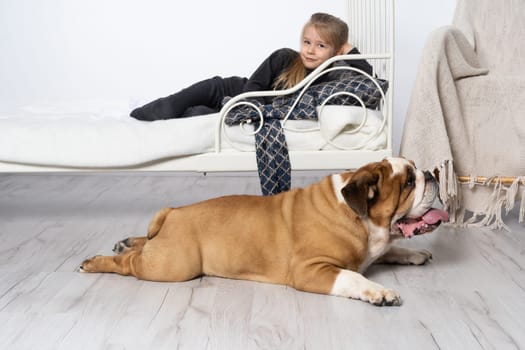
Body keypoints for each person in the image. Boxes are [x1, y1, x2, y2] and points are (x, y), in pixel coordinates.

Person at [130, 12, 373, 121]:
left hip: (246, 107)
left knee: (197, 116)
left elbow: (369, 80)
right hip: (233, 91)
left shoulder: (331, 77)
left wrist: (350, 51)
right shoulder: (285, 57)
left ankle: (197, 114)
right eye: (307, 42)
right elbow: (253, 88)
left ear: (336, 50)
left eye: (321, 46)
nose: (310, 50)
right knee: (170, 106)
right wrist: (243, 108)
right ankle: (137, 117)